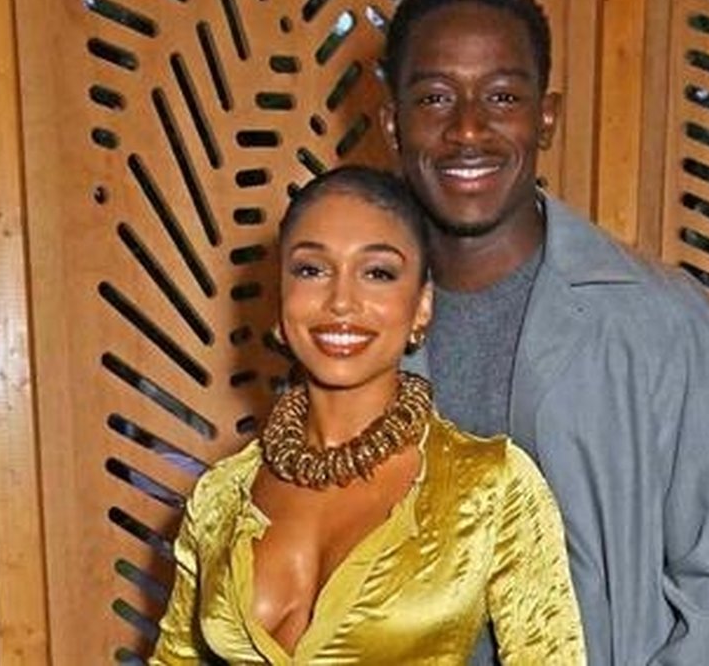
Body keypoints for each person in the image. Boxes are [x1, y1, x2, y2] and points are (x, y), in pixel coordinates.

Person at [378, 0, 709, 664]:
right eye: (435, 98)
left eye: (502, 97)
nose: (468, 128)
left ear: (547, 118)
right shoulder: (353, 327)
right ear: (393, 124)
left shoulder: (666, 324)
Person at [150, 166, 585, 665]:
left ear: (422, 306)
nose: (340, 301)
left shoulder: (490, 485)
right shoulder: (220, 496)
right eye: (311, 270)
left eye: (377, 273)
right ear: (280, 299)